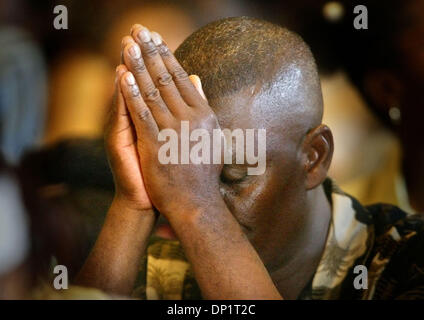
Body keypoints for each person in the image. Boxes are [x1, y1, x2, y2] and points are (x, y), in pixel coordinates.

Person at [76, 17, 424, 299]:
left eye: (234, 175)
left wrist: (200, 207)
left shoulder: (405, 260)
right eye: (180, 169)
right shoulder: (155, 260)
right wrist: (132, 203)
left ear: (314, 157)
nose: (186, 192)